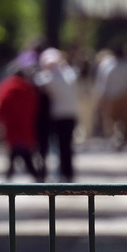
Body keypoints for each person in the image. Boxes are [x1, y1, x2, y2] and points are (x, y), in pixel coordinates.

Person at [0, 53, 44, 182]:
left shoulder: (6, 86)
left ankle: (11, 178)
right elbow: (35, 107)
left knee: (17, 153)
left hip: (12, 127)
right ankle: (32, 178)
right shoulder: (28, 88)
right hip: (25, 127)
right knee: (22, 153)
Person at [36, 48, 79, 181]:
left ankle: (64, 174)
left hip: (59, 116)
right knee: (66, 146)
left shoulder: (50, 77)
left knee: (61, 147)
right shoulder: (70, 73)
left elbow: (38, 81)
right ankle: (68, 174)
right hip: (71, 114)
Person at [94, 48, 127, 150]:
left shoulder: (109, 68)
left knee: (115, 121)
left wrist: (101, 97)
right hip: (124, 98)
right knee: (124, 120)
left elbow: (104, 84)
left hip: (115, 98)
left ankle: (119, 138)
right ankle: (121, 138)